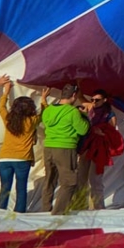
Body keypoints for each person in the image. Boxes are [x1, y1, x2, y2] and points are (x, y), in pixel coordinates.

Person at [41, 85, 90, 215]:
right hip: (65, 148)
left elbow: (45, 123)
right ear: (74, 96)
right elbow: (83, 129)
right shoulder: (73, 112)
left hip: (49, 147)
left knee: (50, 179)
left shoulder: (48, 110)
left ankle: (45, 208)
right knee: (69, 181)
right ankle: (59, 212)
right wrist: (84, 116)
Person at [0, 77, 39, 213]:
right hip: (22, 159)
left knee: (5, 188)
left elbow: (1, 107)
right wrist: (43, 100)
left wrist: (6, 91)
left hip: (5, 159)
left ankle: (1, 210)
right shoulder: (32, 121)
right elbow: (44, 113)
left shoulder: (9, 119)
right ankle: (19, 212)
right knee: (21, 188)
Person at [76, 89, 124, 210]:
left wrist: (101, 133)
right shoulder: (90, 107)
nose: (94, 102)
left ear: (104, 100)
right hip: (86, 146)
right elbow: (80, 96)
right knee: (81, 177)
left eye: (97, 100)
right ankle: (81, 205)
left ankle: (98, 207)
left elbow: (112, 133)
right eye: (92, 99)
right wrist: (79, 83)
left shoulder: (109, 114)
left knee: (95, 179)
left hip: (99, 149)